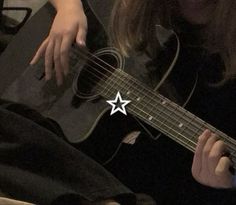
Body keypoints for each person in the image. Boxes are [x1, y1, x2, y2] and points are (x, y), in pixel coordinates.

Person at [28, 0, 236, 204]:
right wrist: (69, 9)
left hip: (152, 173)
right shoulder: (134, 9)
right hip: (102, 149)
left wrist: (228, 183)